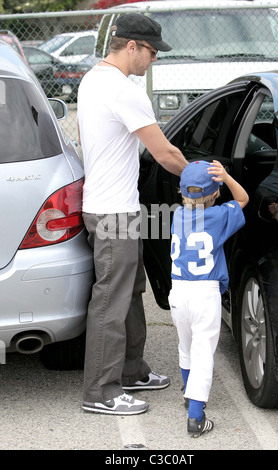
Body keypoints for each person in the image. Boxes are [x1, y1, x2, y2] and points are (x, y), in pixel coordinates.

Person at [77, 13, 188, 415]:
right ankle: (101, 392)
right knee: (110, 301)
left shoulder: (93, 79)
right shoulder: (124, 90)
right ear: (131, 47)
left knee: (130, 292)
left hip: (109, 206)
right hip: (114, 214)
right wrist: (201, 177)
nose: (154, 59)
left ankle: (131, 370)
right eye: (152, 52)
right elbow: (164, 153)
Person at [169, 160, 248, 436]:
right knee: (204, 353)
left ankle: (188, 395)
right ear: (214, 194)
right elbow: (243, 198)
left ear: (182, 193)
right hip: (205, 293)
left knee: (186, 345)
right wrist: (225, 176)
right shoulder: (218, 216)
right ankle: (195, 418)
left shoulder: (177, 215)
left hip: (178, 292)